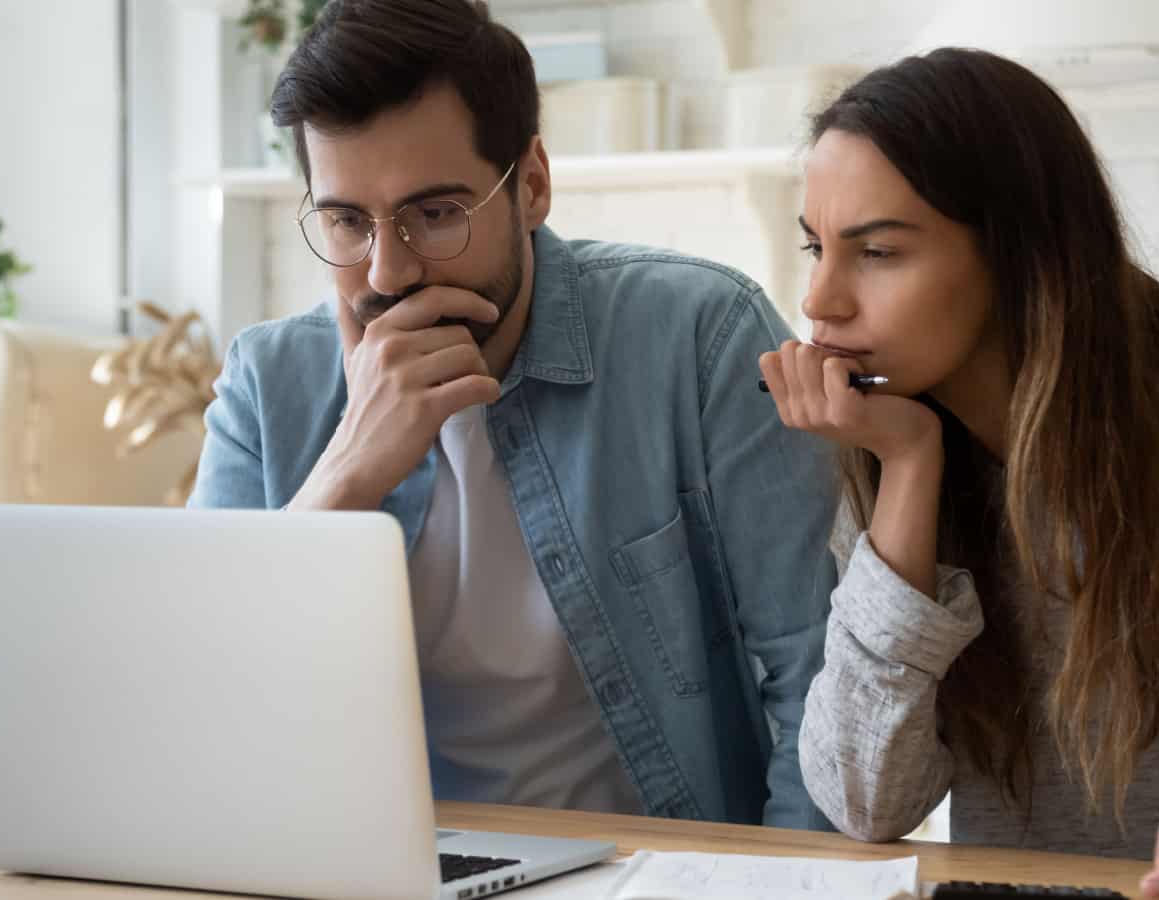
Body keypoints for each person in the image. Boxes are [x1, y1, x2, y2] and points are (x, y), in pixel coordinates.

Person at [759, 48, 1159, 899]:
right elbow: (865, 802)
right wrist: (908, 469)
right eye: (815, 248)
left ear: (1019, 253)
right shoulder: (895, 444)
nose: (821, 301)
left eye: (876, 252)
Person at [188, 0, 840, 829]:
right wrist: (347, 473)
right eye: (348, 221)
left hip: (653, 874)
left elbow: (818, 684)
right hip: (374, 872)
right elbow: (203, 709)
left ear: (531, 184)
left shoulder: (701, 335)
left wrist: (772, 890)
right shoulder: (265, 383)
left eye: (435, 214)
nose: (387, 270)